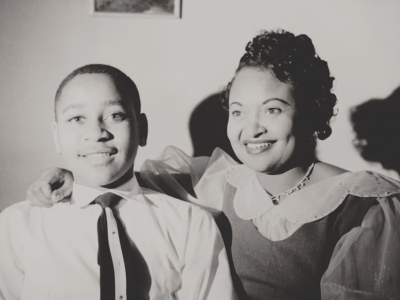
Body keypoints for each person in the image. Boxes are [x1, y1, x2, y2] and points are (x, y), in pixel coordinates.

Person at [26, 31, 400, 299]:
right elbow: (118, 179)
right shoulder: (216, 180)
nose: (251, 128)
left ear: (311, 114)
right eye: (238, 111)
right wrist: (71, 176)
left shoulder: (363, 204)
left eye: (272, 109)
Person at [0, 64, 236, 300]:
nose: (96, 132)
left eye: (115, 115)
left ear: (142, 129)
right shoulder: (16, 226)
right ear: (56, 136)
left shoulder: (191, 224)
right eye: (76, 118)